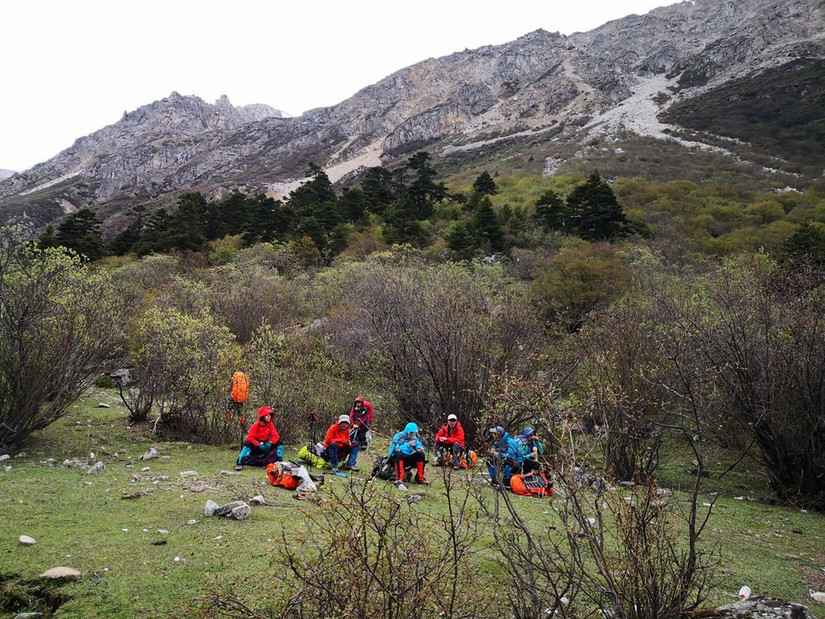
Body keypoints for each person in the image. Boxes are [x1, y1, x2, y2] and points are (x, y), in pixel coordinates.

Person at [388, 422, 429, 487]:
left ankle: (419, 478)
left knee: (421, 455)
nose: (412, 435)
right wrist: (408, 445)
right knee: (399, 454)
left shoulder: (413, 437)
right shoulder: (398, 436)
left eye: (414, 433)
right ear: (407, 431)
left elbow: (417, 443)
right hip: (395, 460)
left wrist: (419, 448)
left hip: (405, 460)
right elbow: (395, 450)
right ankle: (399, 479)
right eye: (411, 433)